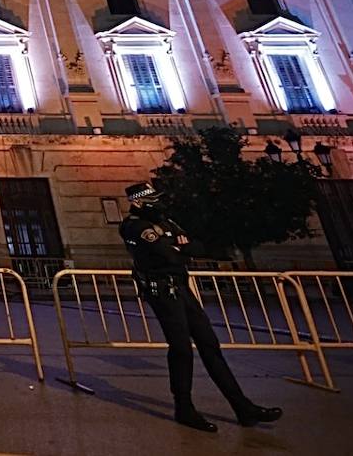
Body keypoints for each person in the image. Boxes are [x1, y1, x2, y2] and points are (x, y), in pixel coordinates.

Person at [120, 182, 283, 432]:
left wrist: (179, 246)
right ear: (138, 202)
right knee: (181, 348)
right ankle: (183, 407)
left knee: (210, 345)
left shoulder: (166, 223)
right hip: (161, 290)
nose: (159, 203)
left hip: (182, 288)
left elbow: (197, 246)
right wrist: (178, 246)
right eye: (153, 199)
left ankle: (242, 407)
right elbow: (170, 255)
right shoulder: (134, 226)